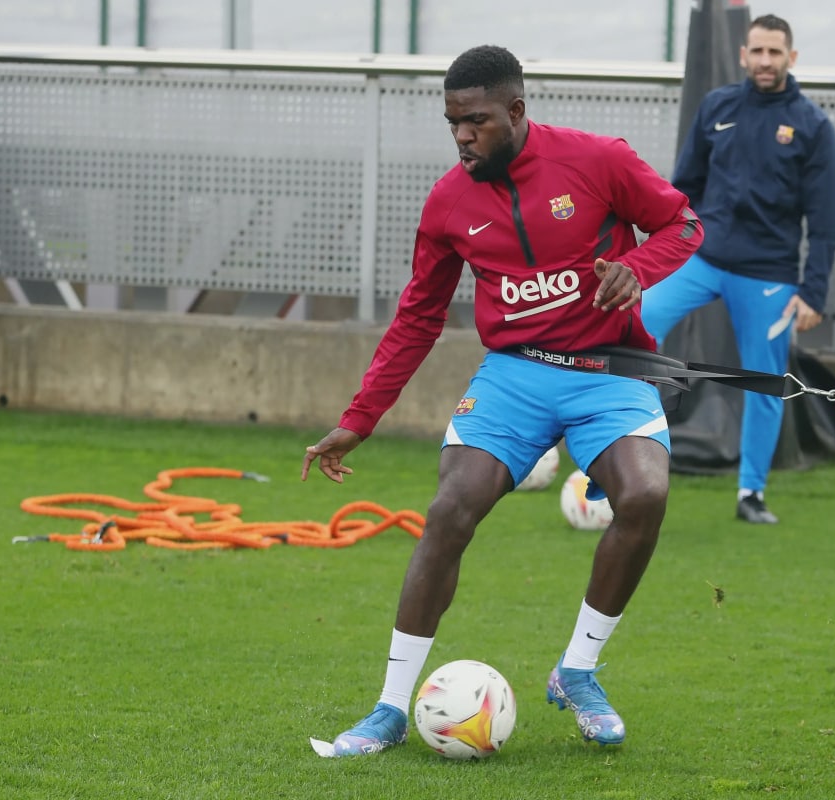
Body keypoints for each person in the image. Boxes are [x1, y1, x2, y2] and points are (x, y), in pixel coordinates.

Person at [301, 44, 703, 756]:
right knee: (449, 510)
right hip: (514, 375)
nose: (462, 137)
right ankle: (390, 709)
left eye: (477, 122)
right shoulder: (448, 202)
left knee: (644, 495)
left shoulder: (598, 160)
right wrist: (359, 420)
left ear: (516, 110)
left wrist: (637, 269)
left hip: (608, 371)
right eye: (453, 123)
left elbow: (684, 224)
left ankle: (577, 670)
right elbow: (418, 317)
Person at [639, 13, 835, 525]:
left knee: (765, 384)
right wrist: (661, 250)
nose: (765, 61)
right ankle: (614, 457)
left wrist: (814, 293)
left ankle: (751, 493)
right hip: (702, 261)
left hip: (768, 277)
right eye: (758, 51)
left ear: (791, 57)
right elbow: (683, 190)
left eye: (775, 52)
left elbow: (825, 223)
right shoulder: (717, 107)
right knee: (631, 328)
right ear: (743, 55)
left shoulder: (813, 127)